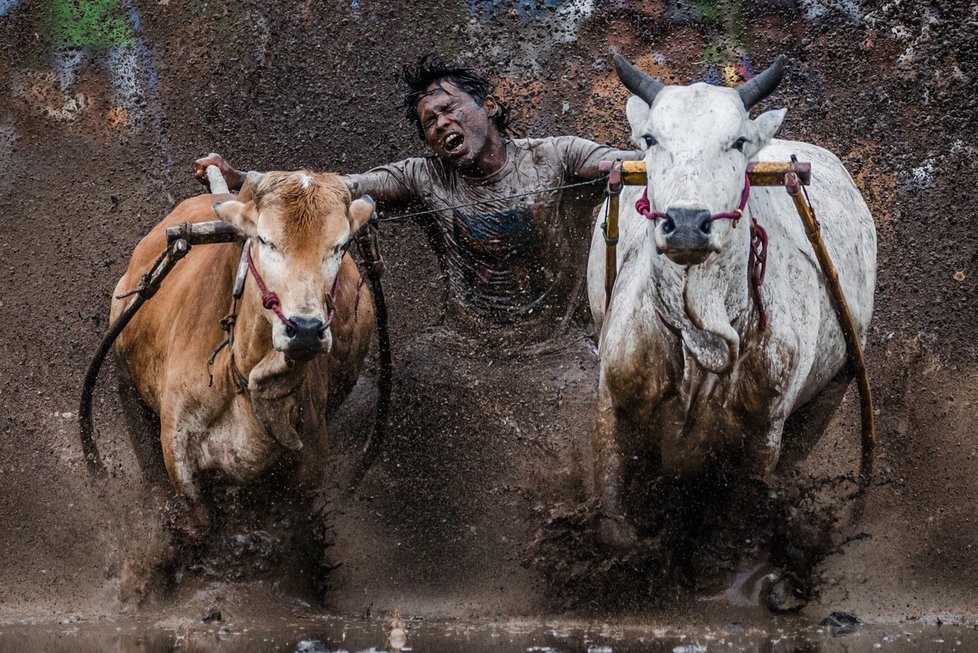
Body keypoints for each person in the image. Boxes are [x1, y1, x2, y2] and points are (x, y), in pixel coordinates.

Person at [196, 52, 639, 338]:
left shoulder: (559, 155)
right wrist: (241, 179)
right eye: (430, 122)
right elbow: (333, 187)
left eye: (449, 109)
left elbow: (638, 167)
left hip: (558, 345)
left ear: (488, 106)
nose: (442, 123)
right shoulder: (422, 177)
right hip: (464, 349)